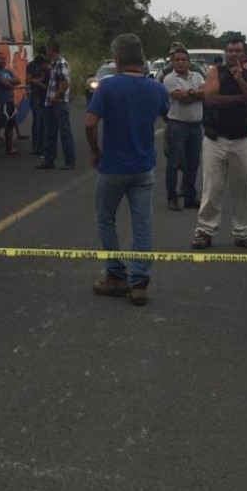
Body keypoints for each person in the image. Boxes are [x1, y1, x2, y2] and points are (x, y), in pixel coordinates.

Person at [86, 34, 170, 306]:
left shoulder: (108, 88)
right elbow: (168, 118)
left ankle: (115, 275)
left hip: (113, 167)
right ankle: (140, 283)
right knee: (142, 225)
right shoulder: (156, 89)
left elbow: (90, 123)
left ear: (118, 59)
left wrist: (95, 151)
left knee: (105, 219)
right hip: (143, 166)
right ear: (142, 59)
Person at [191, 37, 247, 250]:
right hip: (216, 138)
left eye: (238, 51)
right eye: (230, 50)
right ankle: (204, 231)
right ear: (226, 53)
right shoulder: (216, 72)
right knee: (212, 186)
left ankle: (243, 232)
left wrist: (241, 81)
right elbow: (211, 99)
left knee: (243, 188)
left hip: (242, 139)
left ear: (245, 54)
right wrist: (241, 99)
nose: (233, 54)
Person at [162, 47, 205, 211]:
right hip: (177, 125)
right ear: (172, 62)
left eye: (183, 59)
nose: (180, 62)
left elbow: (207, 93)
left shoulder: (198, 75)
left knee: (193, 164)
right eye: (177, 60)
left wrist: (191, 93)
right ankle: (172, 197)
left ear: (189, 61)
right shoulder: (169, 79)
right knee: (173, 163)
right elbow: (182, 98)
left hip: (195, 126)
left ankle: (189, 196)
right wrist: (197, 93)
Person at [38, 39, 74, 170]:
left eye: (48, 49)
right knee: (50, 132)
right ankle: (49, 160)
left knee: (65, 132)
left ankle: (69, 161)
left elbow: (64, 83)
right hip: (52, 102)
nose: (47, 52)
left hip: (59, 102)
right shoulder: (54, 64)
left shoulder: (61, 63)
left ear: (52, 50)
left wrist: (55, 98)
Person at [0, 51, 20, 157]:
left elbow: (18, 80)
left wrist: (10, 82)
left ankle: (9, 148)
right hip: (0, 102)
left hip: (10, 102)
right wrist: (11, 83)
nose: (3, 61)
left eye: (4, 59)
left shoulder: (7, 71)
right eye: (0, 59)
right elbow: (5, 83)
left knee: (10, 126)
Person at [27, 53, 50, 156]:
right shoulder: (33, 66)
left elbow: (48, 88)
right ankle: (38, 145)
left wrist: (37, 82)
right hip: (38, 97)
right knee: (38, 122)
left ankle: (41, 146)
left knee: (41, 123)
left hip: (43, 97)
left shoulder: (49, 71)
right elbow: (28, 80)